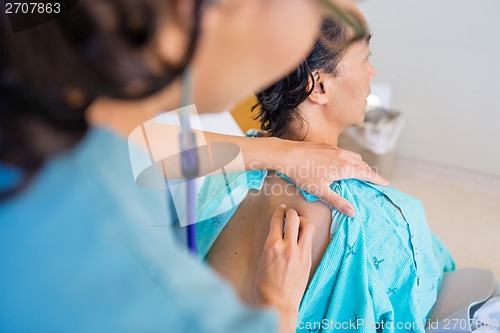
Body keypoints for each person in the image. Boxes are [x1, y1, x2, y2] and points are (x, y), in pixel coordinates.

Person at [0, 0, 387, 332]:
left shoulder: (45, 107)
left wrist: (278, 152)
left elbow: (139, 149)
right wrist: (278, 306)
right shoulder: (145, 285)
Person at [195, 13, 455, 332]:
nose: (372, 71)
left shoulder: (216, 175)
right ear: (318, 86)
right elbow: (425, 293)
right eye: (365, 58)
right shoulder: (380, 218)